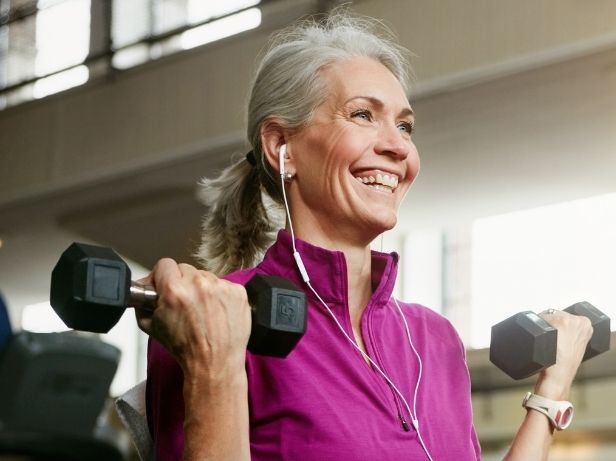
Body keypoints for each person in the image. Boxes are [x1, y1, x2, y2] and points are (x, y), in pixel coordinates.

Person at [139, 11, 593, 461]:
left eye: (405, 126)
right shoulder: (216, 314)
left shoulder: (433, 339)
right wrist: (213, 363)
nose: (398, 147)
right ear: (282, 147)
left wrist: (551, 392)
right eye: (362, 115)